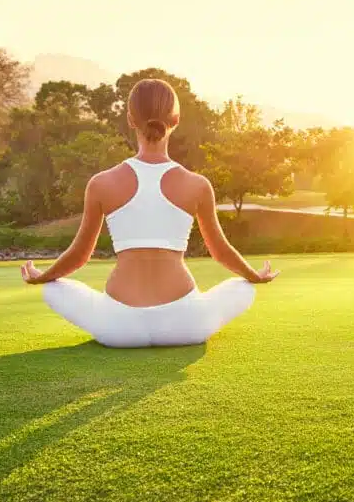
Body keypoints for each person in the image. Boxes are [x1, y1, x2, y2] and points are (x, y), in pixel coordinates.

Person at [20, 78, 279, 348]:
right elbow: (220, 251)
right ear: (176, 121)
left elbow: (80, 255)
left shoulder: (101, 183)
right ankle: (240, 287)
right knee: (244, 288)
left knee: (52, 289)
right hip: (186, 324)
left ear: (131, 120)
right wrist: (253, 275)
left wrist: (43, 276)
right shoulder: (197, 185)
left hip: (118, 327)